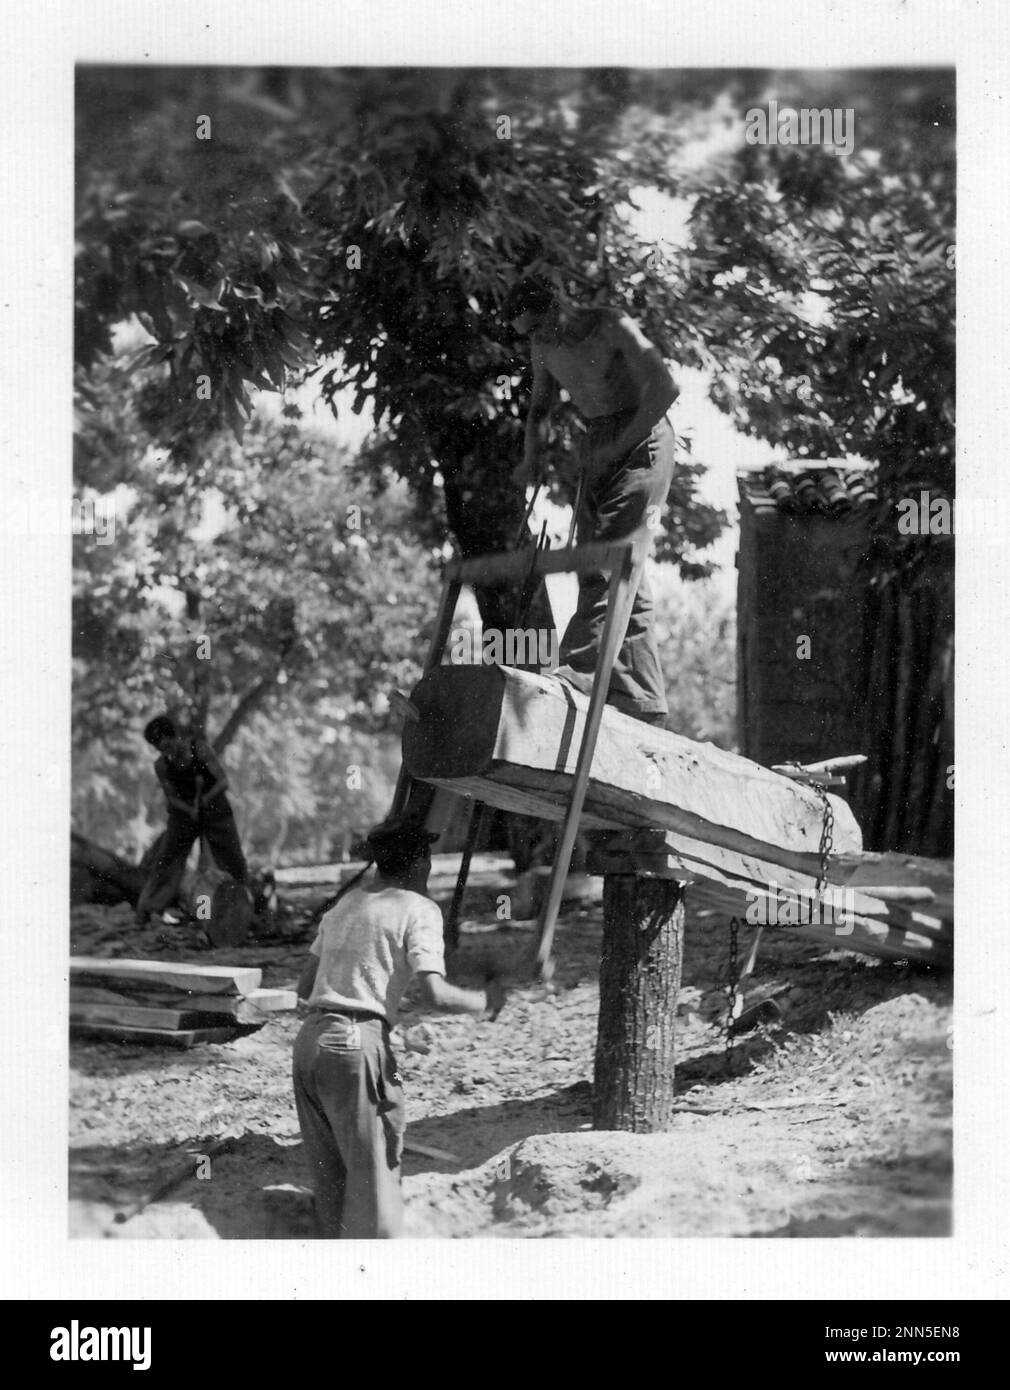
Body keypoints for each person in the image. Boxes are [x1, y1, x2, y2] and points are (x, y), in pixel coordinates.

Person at [292, 816, 505, 1239]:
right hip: (353, 1045)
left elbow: (306, 988)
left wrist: (381, 1020)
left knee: (332, 1183)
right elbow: (435, 994)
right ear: (420, 863)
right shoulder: (419, 909)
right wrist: (486, 1003)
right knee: (374, 1185)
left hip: (309, 1046)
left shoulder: (346, 905)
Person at [504, 274, 679, 725]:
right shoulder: (543, 347)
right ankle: (640, 697)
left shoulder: (612, 326)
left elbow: (665, 388)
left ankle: (579, 673)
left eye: (540, 327)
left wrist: (621, 446)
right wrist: (532, 458)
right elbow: (540, 408)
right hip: (598, 443)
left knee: (607, 557)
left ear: (558, 303)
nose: (537, 340)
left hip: (644, 440)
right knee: (618, 567)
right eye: (529, 335)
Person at [136, 714, 250, 926]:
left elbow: (222, 781)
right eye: (161, 749)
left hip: (215, 809)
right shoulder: (162, 766)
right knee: (167, 861)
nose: (166, 752)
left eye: (168, 745)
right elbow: (171, 798)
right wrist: (189, 809)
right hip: (183, 815)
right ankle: (148, 909)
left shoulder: (200, 749)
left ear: (176, 736)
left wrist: (205, 800)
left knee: (230, 861)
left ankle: (243, 910)